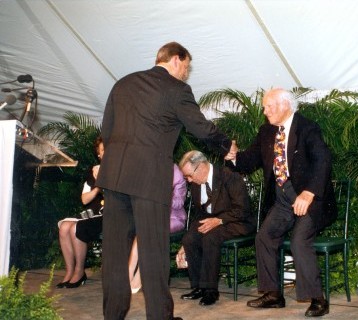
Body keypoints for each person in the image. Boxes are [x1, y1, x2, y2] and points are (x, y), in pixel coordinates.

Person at [96, 41, 232, 320]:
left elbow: (106, 131)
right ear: (175, 60)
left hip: (115, 177)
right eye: (186, 66)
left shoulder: (123, 83)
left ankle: (113, 316)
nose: (186, 72)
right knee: (153, 252)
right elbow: (199, 126)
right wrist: (226, 144)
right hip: (148, 180)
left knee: (114, 255)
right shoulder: (177, 89)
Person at [225, 88, 337, 318]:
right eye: (264, 107)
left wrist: (308, 193)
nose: (265, 111)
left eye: (269, 106)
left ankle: (318, 299)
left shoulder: (307, 128)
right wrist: (234, 157)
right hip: (283, 201)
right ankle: (273, 295)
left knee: (299, 240)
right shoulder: (266, 132)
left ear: (285, 105)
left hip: (309, 200)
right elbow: (250, 160)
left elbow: (323, 160)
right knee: (264, 237)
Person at [176, 150, 255, 306]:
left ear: (200, 167)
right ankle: (199, 286)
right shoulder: (197, 185)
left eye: (190, 176)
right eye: (187, 178)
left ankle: (211, 290)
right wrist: (184, 245)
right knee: (189, 238)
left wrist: (219, 220)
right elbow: (199, 216)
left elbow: (242, 209)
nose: (190, 180)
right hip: (214, 223)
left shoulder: (229, 176)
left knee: (211, 237)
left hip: (237, 222)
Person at [128, 164, 187, 294]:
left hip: (174, 217)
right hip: (153, 217)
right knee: (143, 231)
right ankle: (129, 271)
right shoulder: (148, 168)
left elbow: (179, 203)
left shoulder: (175, 172)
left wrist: (163, 195)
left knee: (150, 230)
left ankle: (140, 275)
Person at [56, 136, 104, 289]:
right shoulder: (93, 171)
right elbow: (84, 199)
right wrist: (97, 188)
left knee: (76, 228)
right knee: (64, 226)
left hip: (107, 216)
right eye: (103, 150)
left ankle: (79, 271)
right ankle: (69, 271)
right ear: (99, 154)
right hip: (91, 212)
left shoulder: (118, 170)